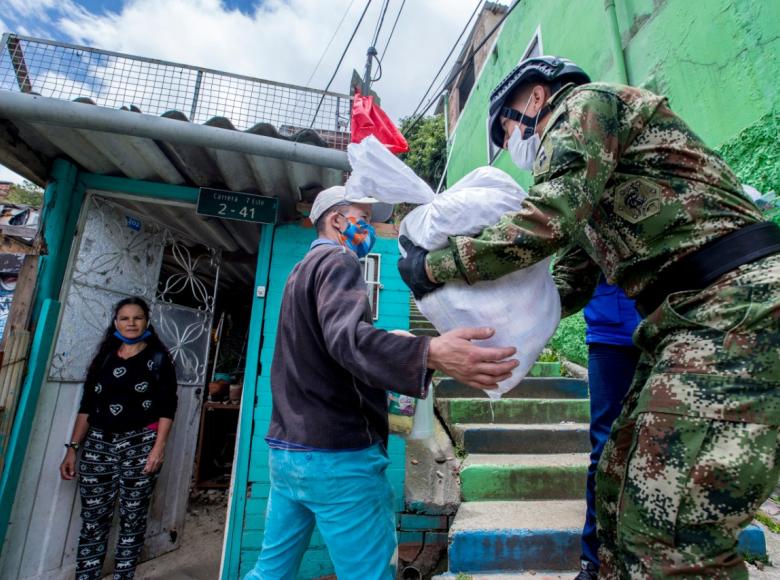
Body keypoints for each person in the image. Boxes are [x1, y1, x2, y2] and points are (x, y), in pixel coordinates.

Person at [398, 55, 780, 578]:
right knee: (619, 488)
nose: (510, 144)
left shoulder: (584, 106)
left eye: (505, 128)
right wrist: (496, 320)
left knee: (674, 534)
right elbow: (567, 284)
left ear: (536, 96)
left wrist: (436, 266)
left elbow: (547, 219)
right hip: (683, 321)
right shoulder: (593, 190)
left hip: (735, 302)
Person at [246, 186, 517, 580]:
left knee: (269, 571)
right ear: (336, 220)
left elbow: (327, 348)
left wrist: (389, 340)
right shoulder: (338, 260)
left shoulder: (299, 272)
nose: (370, 228)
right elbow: (347, 341)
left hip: (288, 453)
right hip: (336, 456)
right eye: (364, 218)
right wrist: (429, 352)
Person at [60, 296, 178, 580]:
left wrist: (158, 448)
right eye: (125, 318)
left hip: (140, 445)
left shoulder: (158, 359)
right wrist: (73, 448)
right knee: (93, 520)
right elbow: (87, 406)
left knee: (132, 519)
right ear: (116, 323)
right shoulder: (104, 359)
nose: (131, 323)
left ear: (146, 322)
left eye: (137, 318)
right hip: (98, 445)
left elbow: (168, 407)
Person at [577, 279, 641, 579]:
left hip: (674, 333)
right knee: (605, 449)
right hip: (611, 335)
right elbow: (573, 269)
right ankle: (593, 561)